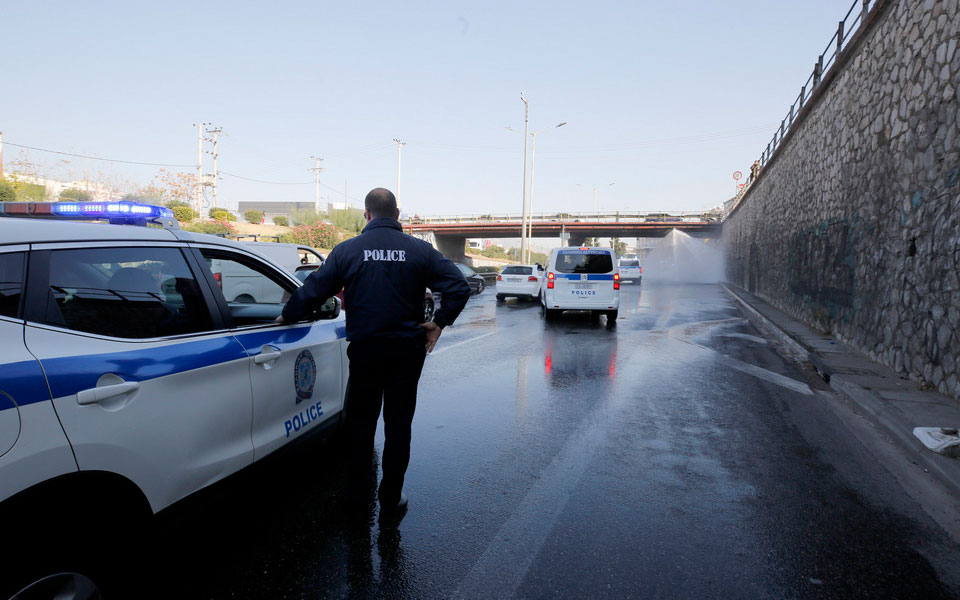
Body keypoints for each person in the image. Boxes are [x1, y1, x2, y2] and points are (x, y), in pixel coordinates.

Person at [279, 187, 470, 526]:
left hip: (365, 351)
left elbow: (313, 290)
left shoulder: (348, 250)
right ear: (397, 215)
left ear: (366, 215)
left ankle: (357, 495)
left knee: (360, 424)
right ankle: (391, 498)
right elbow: (458, 286)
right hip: (407, 352)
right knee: (398, 427)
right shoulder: (420, 250)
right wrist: (438, 322)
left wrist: (287, 316)